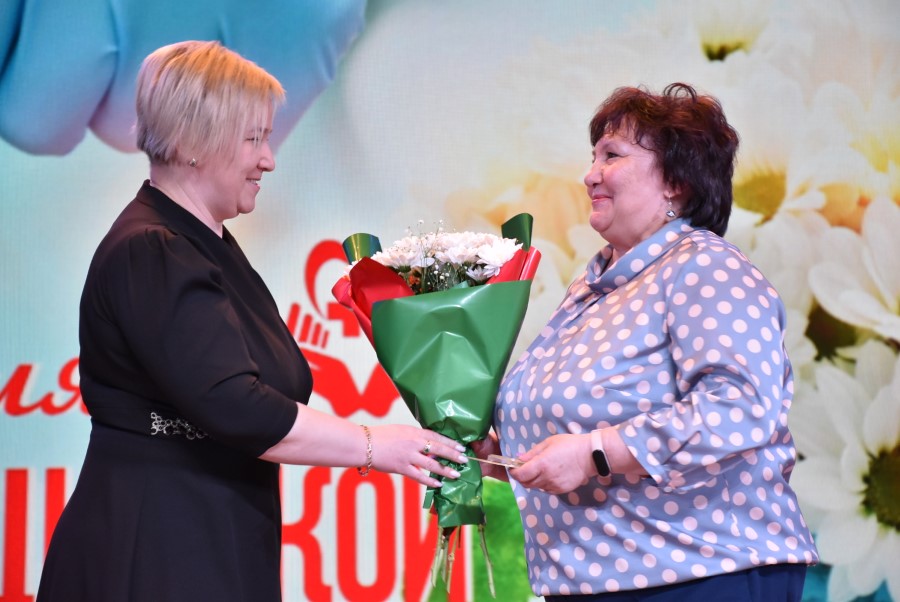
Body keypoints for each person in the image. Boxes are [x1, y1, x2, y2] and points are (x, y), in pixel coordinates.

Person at [36, 40, 466, 602]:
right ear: (194, 143)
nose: (269, 159)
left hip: (206, 535)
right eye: (254, 138)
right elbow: (238, 407)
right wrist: (375, 445)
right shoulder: (155, 249)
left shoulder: (205, 244)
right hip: (158, 548)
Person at [475, 83, 818, 601]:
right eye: (593, 157)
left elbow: (740, 407)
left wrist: (593, 453)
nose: (590, 174)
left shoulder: (705, 266)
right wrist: (502, 455)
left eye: (612, 156)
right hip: (595, 582)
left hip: (703, 574)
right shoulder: (592, 286)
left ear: (676, 182)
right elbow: (580, 429)